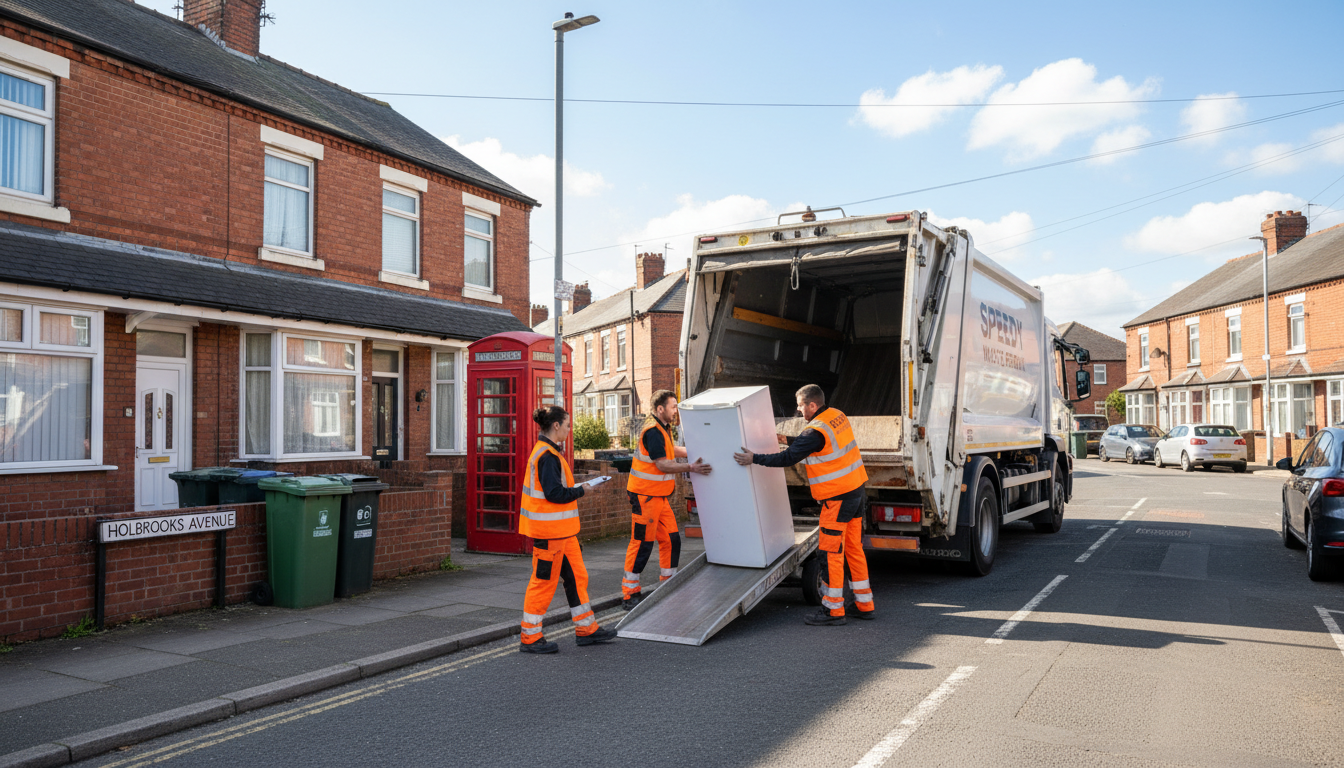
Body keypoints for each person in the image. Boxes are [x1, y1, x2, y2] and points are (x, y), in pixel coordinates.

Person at [733, 384, 874, 626]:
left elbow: (788, 457)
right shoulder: (836, 416)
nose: (798, 410)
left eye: (800, 405)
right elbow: (813, 443)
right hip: (856, 491)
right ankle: (864, 604)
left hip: (837, 498)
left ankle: (833, 610)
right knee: (853, 549)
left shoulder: (815, 431)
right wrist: (785, 439)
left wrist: (754, 458)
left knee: (830, 553)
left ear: (812, 405)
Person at [518, 405, 618, 654]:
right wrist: (584, 490)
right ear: (555, 426)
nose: (569, 430)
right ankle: (530, 637)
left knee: (577, 578)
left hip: (563, 533)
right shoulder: (547, 456)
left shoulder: (550, 453)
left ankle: (586, 630)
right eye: (567, 425)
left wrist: (581, 487)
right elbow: (554, 494)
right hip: (549, 535)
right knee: (543, 584)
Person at [623, 390, 713, 610]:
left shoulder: (662, 428)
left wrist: (696, 452)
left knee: (672, 540)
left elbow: (670, 451)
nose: (676, 410)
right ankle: (629, 593)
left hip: (658, 497)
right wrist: (692, 467)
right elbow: (663, 464)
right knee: (642, 543)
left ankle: (668, 584)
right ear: (660, 409)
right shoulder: (653, 431)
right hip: (645, 497)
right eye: (673, 406)